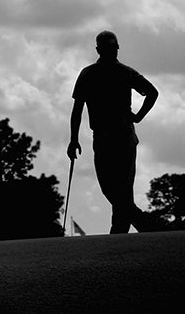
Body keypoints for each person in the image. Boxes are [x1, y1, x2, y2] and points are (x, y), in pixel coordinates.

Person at [67, 30, 158, 234]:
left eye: (113, 48)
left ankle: (119, 233)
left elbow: (153, 92)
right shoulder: (88, 74)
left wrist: (138, 116)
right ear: (99, 50)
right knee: (110, 188)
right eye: (108, 48)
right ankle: (144, 224)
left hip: (122, 136)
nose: (111, 51)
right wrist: (73, 139)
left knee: (121, 190)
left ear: (117, 49)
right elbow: (77, 109)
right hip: (104, 137)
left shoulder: (123, 72)